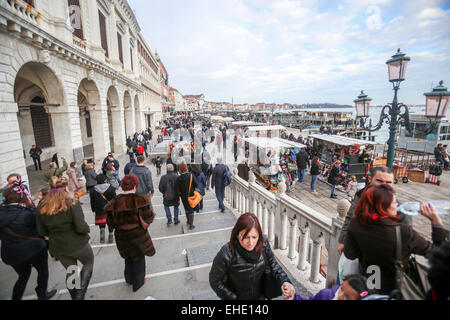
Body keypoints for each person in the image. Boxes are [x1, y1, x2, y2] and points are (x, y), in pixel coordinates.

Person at [344, 184, 449, 295]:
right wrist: (436, 221)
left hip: (369, 283)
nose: (397, 205)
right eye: (394, 202)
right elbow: (439, 255)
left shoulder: (356, 223)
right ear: (383, 206)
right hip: (395, 289)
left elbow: (350, 254)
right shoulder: (402, 232)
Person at [209, 212, 294, 300]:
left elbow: (273, 264)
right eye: (245, 237)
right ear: (237, 235)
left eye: (254, 237)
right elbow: (214, 280)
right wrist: (232, 298)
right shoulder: (227, 253)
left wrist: (285, 281)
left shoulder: (263, 244)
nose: (251, 243)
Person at [36, 177, 94, 300]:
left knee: (71, 270)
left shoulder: (42, 205)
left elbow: (41, 231)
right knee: (88, 262)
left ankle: (75, 296)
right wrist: (86, 229)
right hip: (78, 244)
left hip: (58, 247)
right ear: (66, 188)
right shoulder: (72, 202)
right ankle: (79, 296)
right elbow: (80, 227)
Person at [337, 166, 412, 255]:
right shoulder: (361, 195)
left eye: (388, 182)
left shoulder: (400, 208)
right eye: (379, 181)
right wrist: (342, 241)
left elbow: (407, 237)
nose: (384, 186)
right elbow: (350, 218)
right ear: (370, 179)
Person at [0, 185, 56, 300]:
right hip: (34, 250)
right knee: (43, 271)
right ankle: (42, 294)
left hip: (11, 254)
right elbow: (41, 226)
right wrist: (31, 206)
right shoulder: (26, 215)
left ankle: (16, 297)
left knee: (23, 276)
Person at [104, 174, 155, 292]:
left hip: (121, 236)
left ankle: (129, 279)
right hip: (138, 235)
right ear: (135, 186)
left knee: (128, 257)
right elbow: (149, 218)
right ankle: (138, 282)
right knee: (139, 258)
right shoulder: (141, 200)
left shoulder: (113, 203)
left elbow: (110, 224)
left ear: (122, 186)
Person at [285, 274, 370, 300]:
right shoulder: (325, 295)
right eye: (341, 289)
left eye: (347, 297)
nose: (340, 296)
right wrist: (293, 297)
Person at [89, 174, 116, 243]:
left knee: (101, 221)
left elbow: (92, 201)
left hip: (99, 209)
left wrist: (93, 209)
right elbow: (115, 199)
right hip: (110, 208)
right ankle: (110, 235)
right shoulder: (111, 188)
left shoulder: (93, 190)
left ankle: (102, 231)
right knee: (110, 222)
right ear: (105, 180)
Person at [175, 162, 198, 229]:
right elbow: (196, 184)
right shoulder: (191, 175)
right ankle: (191, 225)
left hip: (183, 197)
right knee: (191, 210)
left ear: (180, 170)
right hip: (191, 195)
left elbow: (177, 189)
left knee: (186, 209)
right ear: (186, 168)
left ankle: (188, 221)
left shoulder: (178, 178)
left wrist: (178, 199)